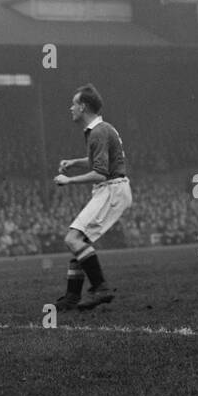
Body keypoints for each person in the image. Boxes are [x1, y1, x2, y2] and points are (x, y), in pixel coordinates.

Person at [53, 83, 131, 310]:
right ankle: (72, 296)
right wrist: (74, 163)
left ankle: (101, 288)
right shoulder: (101, 130)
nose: (71, 108)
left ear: (83, 107)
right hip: (113, 188)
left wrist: (69, 180)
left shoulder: (97, 132)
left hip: (111, 189)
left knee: (73, 239)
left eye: (74, 104)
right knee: (80, 241)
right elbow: (99, 160)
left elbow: (99, 172)